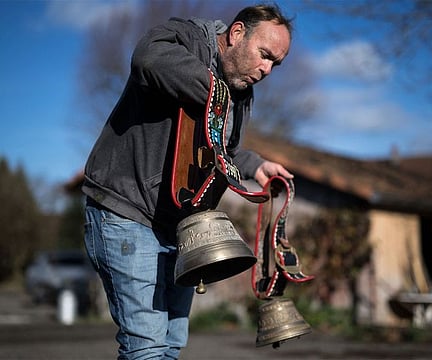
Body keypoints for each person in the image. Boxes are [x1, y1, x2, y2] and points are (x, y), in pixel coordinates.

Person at [82, 4, 294, 359]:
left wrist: (256, 166)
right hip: (126, 210)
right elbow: (148, 57)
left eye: (276, 63)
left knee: (169, 346)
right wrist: (216, 92)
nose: (267, 69)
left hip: (179, 228)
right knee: (146, 346)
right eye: (265, 55)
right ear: (237, 33)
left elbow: (222, 148)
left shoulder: (241, 91)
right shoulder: (187, 38)